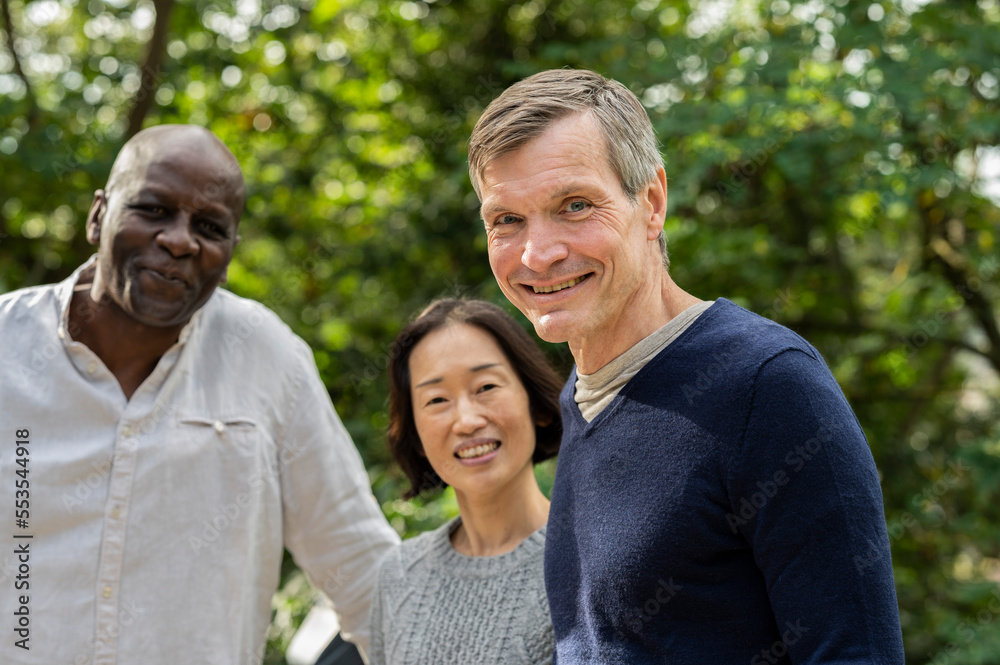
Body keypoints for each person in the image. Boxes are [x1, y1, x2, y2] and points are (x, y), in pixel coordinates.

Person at [468, 69, 905, 663]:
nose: (538, 254)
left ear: (650, 203)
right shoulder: (583, 395)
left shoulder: (767, 383)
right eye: (507, 221)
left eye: (574, 205)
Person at [0, 125, 398, 664]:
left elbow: (361, 566)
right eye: (154, 209)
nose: (180, 239)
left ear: (230, 251)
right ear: (98, 216)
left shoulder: (267, 358)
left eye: (209, 226)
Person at [368, 299, 562, 665]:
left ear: (534, 402)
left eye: (486, 387)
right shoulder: (398, 575)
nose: (467, 420)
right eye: (437, 399)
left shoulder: (591, 565)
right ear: (416, 432)